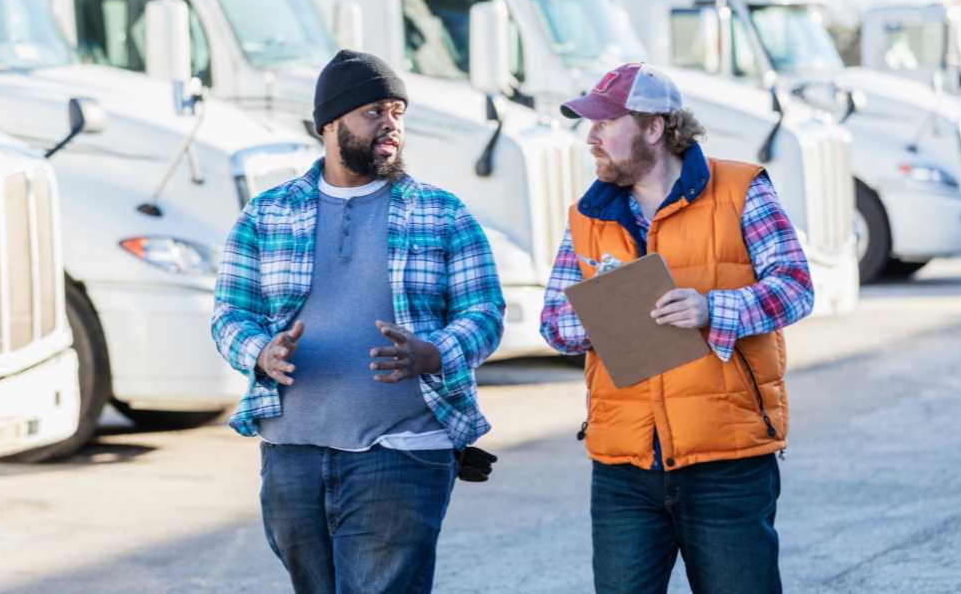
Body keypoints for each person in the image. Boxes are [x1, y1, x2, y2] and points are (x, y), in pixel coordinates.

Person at [211, 49, 505, 593]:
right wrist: (259, 352)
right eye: (373, 111)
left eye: (397, 111)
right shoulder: (266, 213)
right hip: (291, 453)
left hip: (402, 451)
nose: (390, 124)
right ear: (331, 124)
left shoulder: (443, 213)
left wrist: (433, 352)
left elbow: (484, 312)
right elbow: (230, 313)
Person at [540, 62, 815, 593]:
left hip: (727, 461)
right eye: (589, 125)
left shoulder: (741, 189)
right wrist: (606, 313)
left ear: (654, 126)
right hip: (624, 466)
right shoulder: (587, 216)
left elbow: (797, 285)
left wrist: (715, 309)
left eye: (605, 123)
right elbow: (555, 324)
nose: (590, 137)